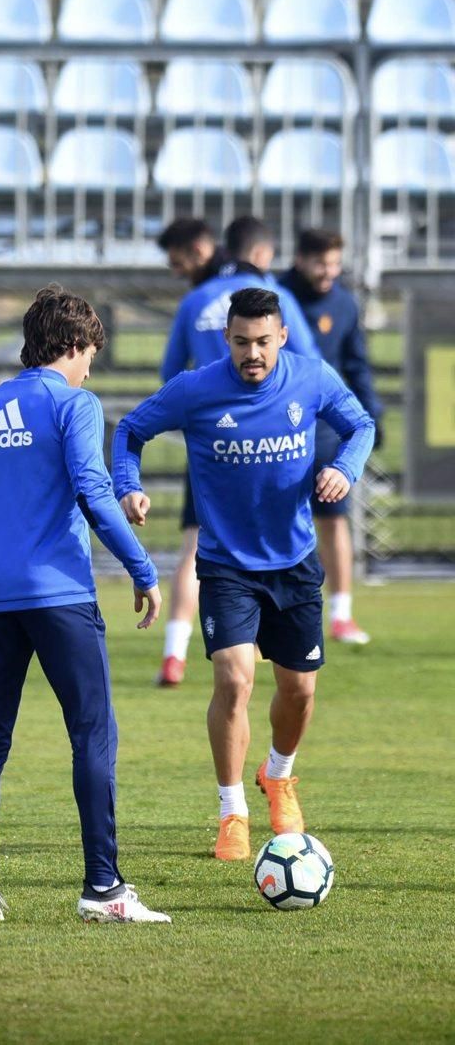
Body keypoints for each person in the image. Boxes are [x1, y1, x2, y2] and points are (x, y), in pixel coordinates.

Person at [0, 285, 170, 924]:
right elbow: (94, 493)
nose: (91, 365)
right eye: (91, 351)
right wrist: (144, 570)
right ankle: (103, 889)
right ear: (72, 345)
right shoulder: (76, 405)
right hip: (63, 598)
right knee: (92, 733)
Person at [113, 288, 374, 861]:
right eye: (240, 342)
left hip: (296, 562)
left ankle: (278, 774)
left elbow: (361, 426)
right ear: (225, 340)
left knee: (299, 690)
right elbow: (128, 430)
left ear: (281, 337)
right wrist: (127, 486)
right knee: (234, 681)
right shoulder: (197, 389)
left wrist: (345, 470)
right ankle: (232, 811)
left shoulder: (312, 378)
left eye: (262, 342)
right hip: (227, 565)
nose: (251, 353)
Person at [156, 216, 319, 687]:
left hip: (212, 448)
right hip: (272, 446)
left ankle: (174, 654)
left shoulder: (194, 302)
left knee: (196, 544)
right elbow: (311, 368)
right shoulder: (276, 300)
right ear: (262, 255)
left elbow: (170, 377)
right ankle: (268, 635)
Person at [281, 229, 383, 645]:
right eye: (322, 262)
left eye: (335, 263)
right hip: (280, 426)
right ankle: (277, 607)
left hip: (325, 430)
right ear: (301, 259)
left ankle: (341, 614)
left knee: (333, 519)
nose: (329, 271)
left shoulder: (344, 303)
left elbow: (356, 362)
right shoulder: (277, 298)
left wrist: (371, 411)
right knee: (279, 517)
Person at [156, 217, 217, 284]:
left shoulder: (212, 290)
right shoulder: (221, 280)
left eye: (178, 264)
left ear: (198, 252)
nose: (176, 274)